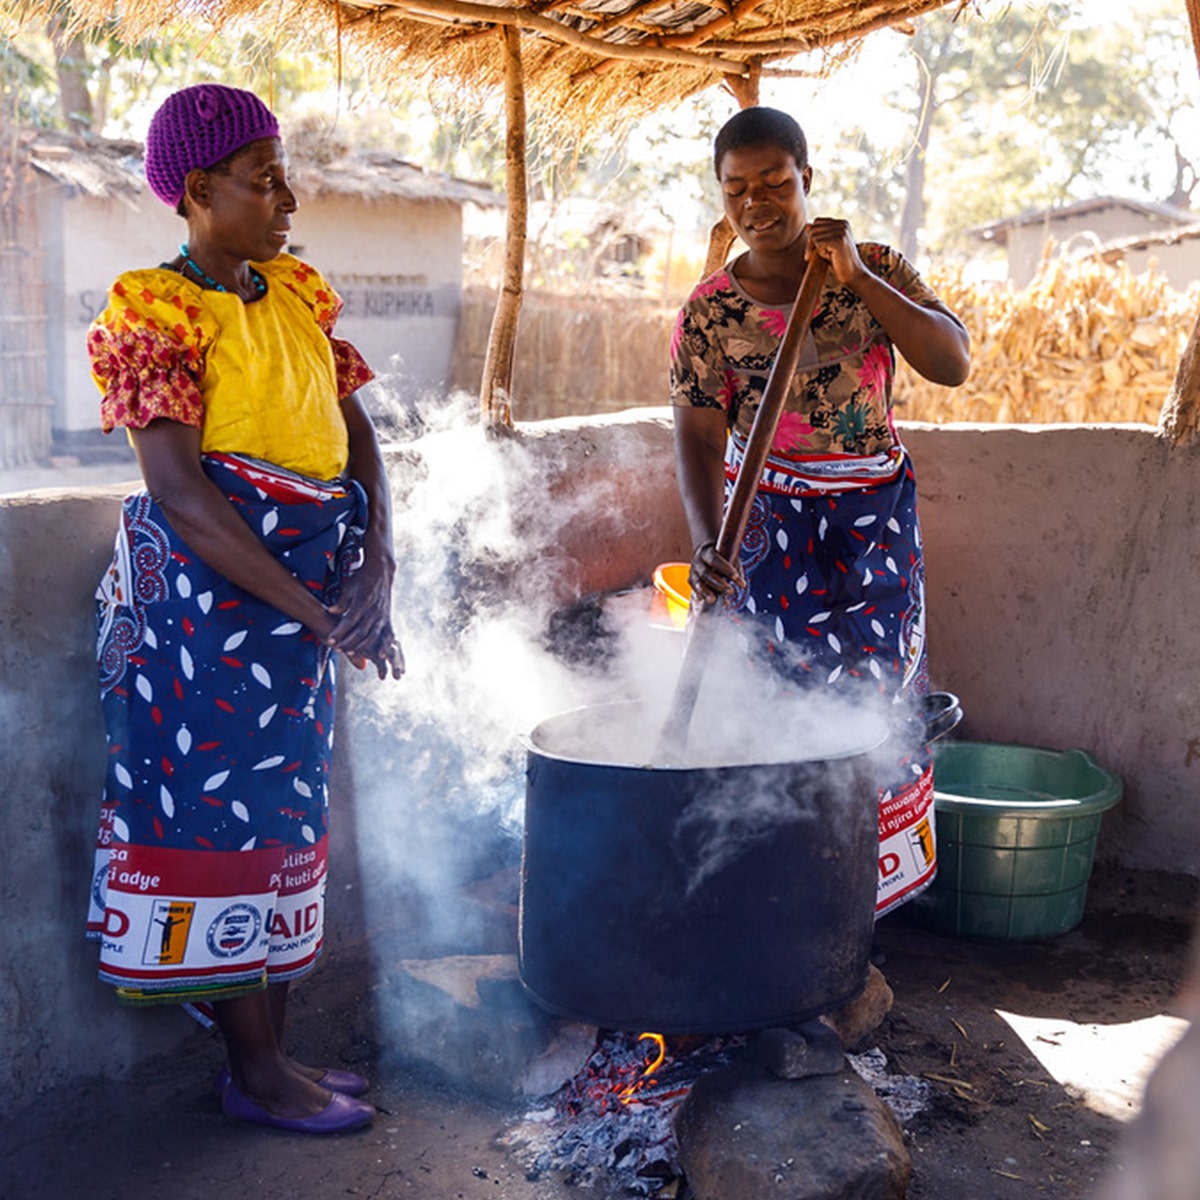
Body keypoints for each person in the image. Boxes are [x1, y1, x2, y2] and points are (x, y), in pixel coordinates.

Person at [84, 84, 403, 1135]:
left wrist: (377, 567)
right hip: (212, 611)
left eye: (282, 177)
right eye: (264, 181)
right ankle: (256, 1073)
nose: (287, 198)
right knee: (216, 828)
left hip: (303, 598)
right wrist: (318, 611)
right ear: (197, 189)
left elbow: (354, 436)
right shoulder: (153, 309)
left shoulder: (298, 291)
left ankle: (275, 1057)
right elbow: (182, 493)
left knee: (283, 820)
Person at [670, 106, 970, 915]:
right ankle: (786, 886)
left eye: (774, 180)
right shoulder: (709, 313)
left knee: (878, 690)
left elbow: (952, 362)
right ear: (721, 196)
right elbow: (698, 441)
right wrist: (707, 544)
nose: (757, 201)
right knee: (778, 691)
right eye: (737, 188)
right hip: (767, 518)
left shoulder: (872, 266)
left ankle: (867, 898)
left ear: (807, 177)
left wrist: (860, 283)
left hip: (872, 510)